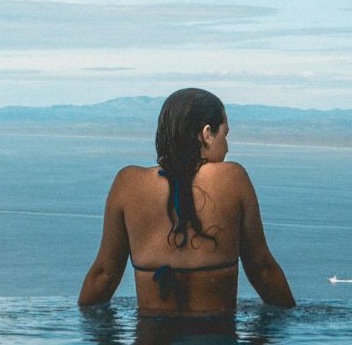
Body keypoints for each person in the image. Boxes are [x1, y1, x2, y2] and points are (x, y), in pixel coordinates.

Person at [78, 88, 296, 316]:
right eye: (226, 135)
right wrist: (291, 319)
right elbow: (262, 269)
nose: (228, 147)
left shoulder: (128, 183)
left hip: (152, 344)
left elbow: (104, 275)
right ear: (207, 133)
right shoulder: (232, 178)